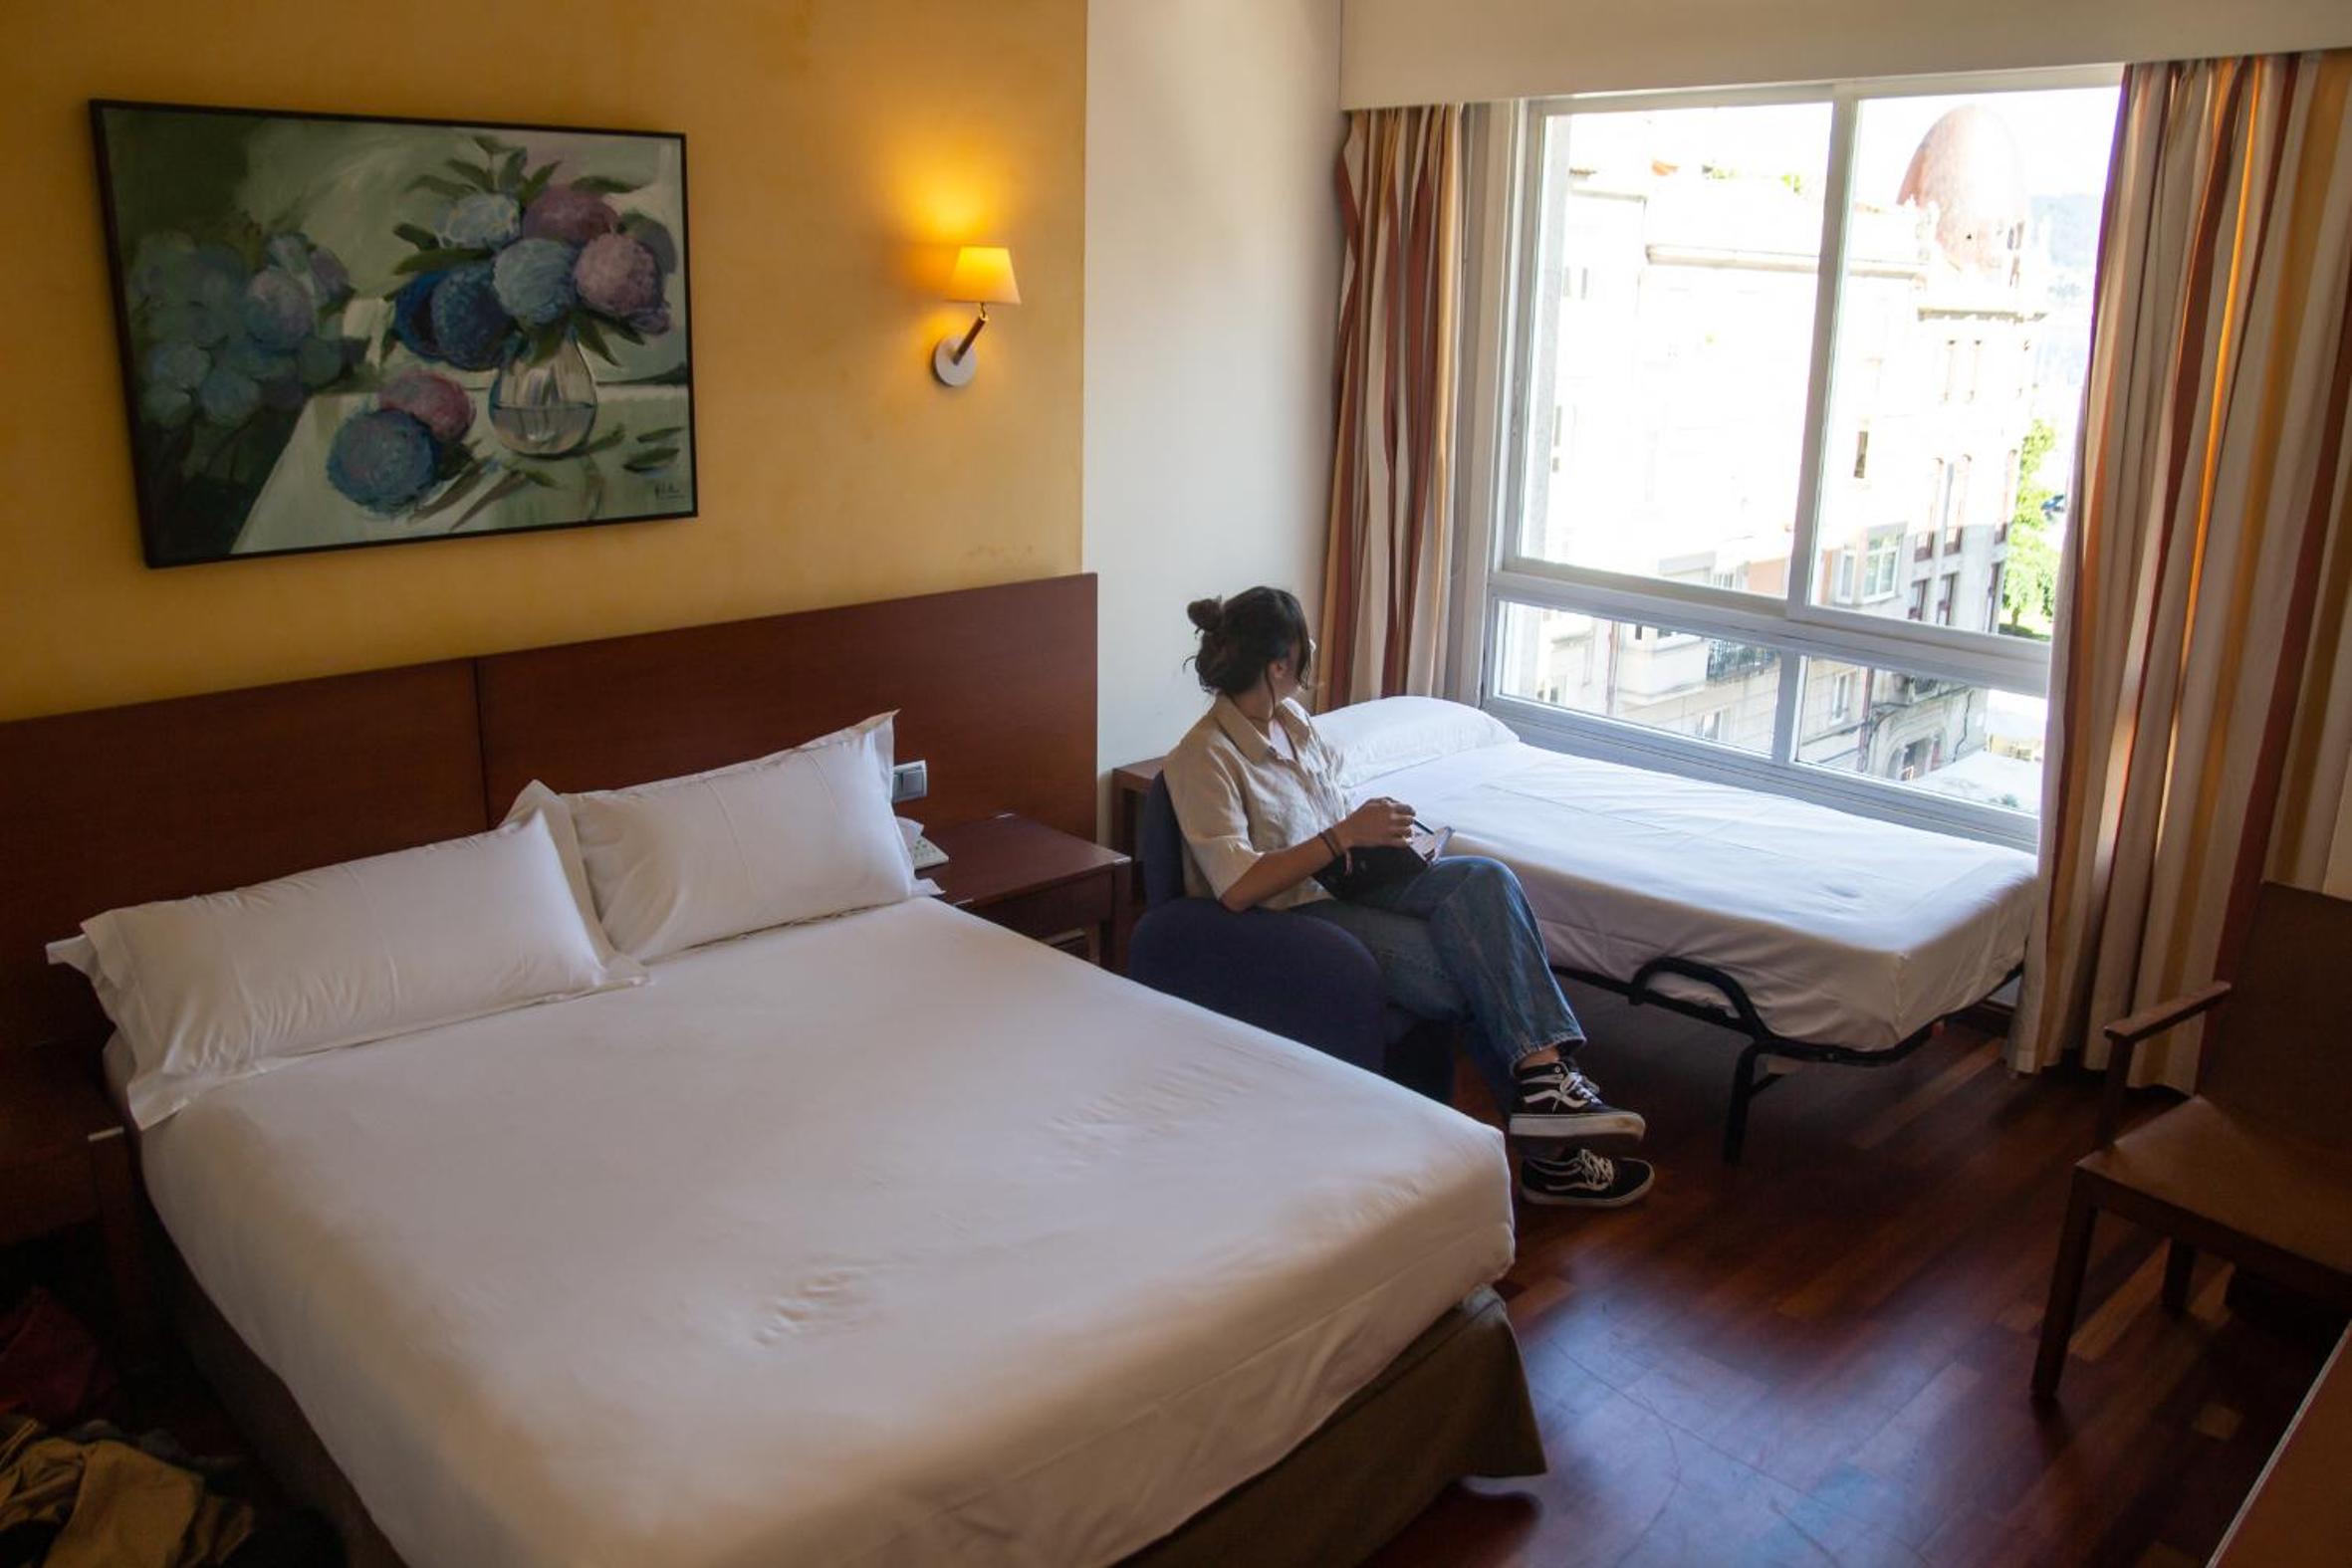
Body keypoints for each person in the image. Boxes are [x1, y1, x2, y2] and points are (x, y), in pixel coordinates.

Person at [1162, 587, 1654, 1208]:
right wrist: (1342, 836)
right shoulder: (1203, 757)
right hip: (1296, 912)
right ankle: (1552, 1149)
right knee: (1476, 968)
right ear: (1280, 664)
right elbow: (1237, 887)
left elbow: (1331, 819)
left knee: (1487, 879)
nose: (1312, 655)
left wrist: (1379, 835)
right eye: (1305, 647)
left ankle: (1543, 1081)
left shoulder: (1295, 724)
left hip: (1350, 879)